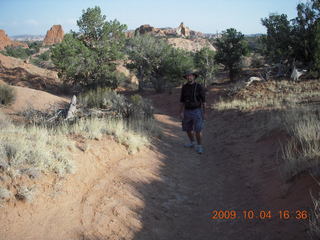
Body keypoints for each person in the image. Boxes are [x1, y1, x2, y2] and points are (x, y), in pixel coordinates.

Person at [179, 70, 206, 154]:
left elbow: (204, 101)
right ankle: (192, 142)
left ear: (194, 77)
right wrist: (181, 112)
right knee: (187, 128)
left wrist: (204, 113)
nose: (189, 77)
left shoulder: (199, 86)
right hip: (187, 111)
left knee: (198, 130)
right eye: (187, 76)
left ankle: (199, 146)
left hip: (197, 111)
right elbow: (182, 100)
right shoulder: (184, 87)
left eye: (190, 76)